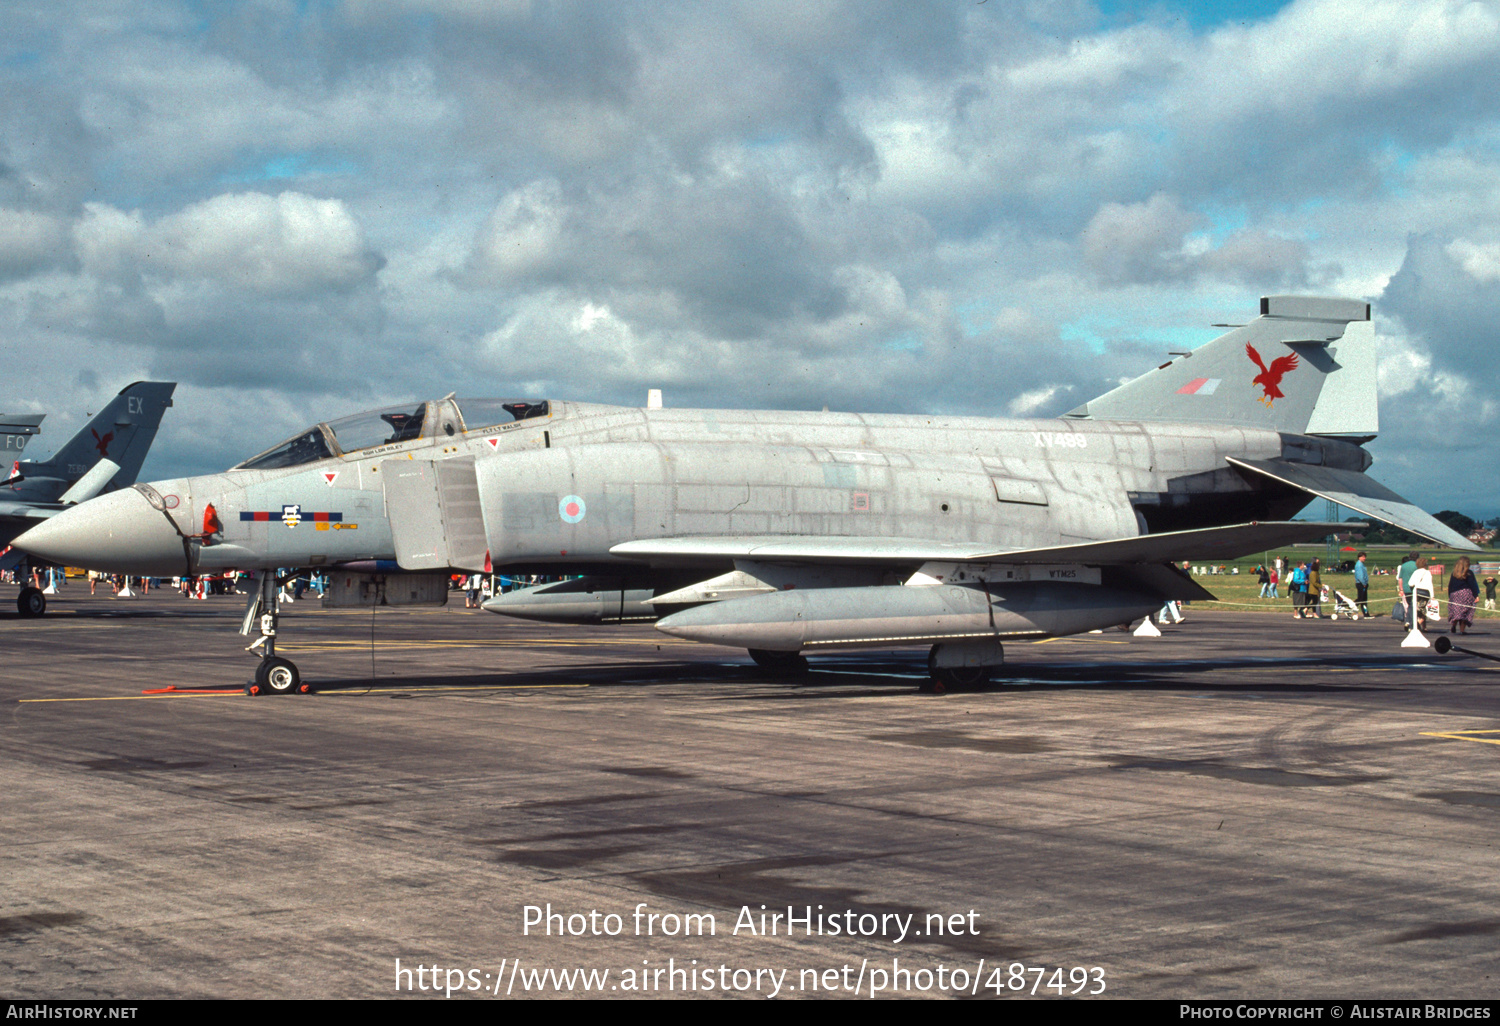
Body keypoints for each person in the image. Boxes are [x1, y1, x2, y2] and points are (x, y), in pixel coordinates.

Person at [1448, 556, 1479, 635]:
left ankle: (1454, 625)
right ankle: (1462, 630)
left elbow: (1450, 585)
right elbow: (1472, 585)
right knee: (1466, 612)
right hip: (1466, 593)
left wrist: (1450, 595)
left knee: (1456, 611)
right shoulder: (1469, 573)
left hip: (1454, 594)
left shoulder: (1454, 573)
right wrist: (1476, 595)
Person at [1408, 555, 1435, 633]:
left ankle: (1422, 626)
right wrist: (1432, 596)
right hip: (1425, 593)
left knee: (1417, 610)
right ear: (1425, 564)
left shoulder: (1415, 572)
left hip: (1416, 592)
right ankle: (1416, 626)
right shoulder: (1427, 572)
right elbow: (1430, 584)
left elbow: (1410, 583)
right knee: (1423, 611)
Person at [1353, 551, 1370, 617]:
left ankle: (1366, 614)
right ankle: (1352, 607)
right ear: (1359, 557)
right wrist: (1364, 583)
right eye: (1363, 557)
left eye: (1365, 557)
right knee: (1361, 599)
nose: (1364, 558)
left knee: (1362, 599)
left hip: (1362, 584)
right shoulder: (1359, 565)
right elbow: (1360, 576)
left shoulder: (1361, 564)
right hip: (1361, 584)